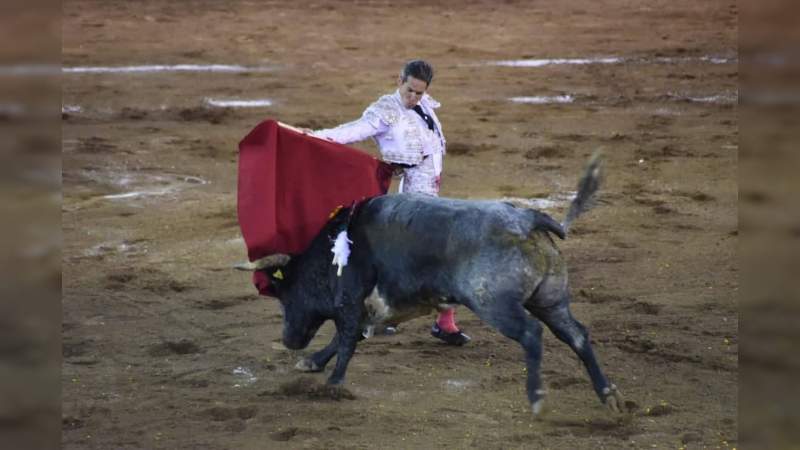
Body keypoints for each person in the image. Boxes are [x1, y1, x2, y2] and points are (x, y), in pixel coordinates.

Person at [309, 59, 470, 346]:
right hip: (415, 201)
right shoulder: (385, 111)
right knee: (437, 254)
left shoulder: (423, 105)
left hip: (427, 194)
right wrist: (315, 137)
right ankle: (422, 321)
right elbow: (354, 130)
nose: (414, 97)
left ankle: (409, 319)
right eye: (410, 91)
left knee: (419, 256)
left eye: (419, 92)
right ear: (399, 81)